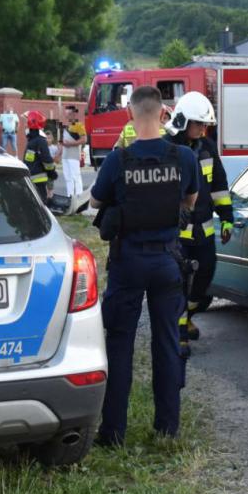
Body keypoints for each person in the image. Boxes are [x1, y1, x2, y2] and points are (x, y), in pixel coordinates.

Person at [91, 86, 198, 446]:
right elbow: (191, 200)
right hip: (168, 260)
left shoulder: (117, 160)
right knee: (166, 343)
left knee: (120, 343)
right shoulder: (183, 156)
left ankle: (113, 432)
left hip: (128, 260)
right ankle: (167, 427)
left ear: (129, 116)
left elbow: (94, 200)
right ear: (163, 114)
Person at [165, 91, 233, 353]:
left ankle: (188, 316)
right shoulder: (168, 149)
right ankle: (179, 333)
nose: (203, 129)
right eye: (199, 124)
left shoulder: (207, 147)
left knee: (205, 278)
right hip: (178, 233)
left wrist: (227, 218)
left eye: (206, 125)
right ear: (183, 121)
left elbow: (219, 186)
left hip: (204, 231)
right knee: (179, 282)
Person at [23, 110, 56, 200]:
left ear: (32, 123)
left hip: (38, 179)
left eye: (26, 122)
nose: (25, 125)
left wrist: (51, 172)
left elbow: (47, 160)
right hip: (32, 178)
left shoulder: (39, 140)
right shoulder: (33, 140)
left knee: (41, 203)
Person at [61, 105, 85, 198]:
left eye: (70, 114)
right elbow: (62, 141)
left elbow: (83, 140)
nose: (68, 116)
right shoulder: (66, 126)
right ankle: (69, 196)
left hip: (73, 155)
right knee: (68, 178)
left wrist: (70, 144)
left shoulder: (79, 125)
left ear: (74, 114)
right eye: (66, 114)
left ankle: (79, 197)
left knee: (76, 177)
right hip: (65, 156)